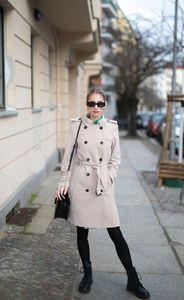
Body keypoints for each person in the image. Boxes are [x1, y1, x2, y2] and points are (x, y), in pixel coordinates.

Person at [55, 88, 150, 299]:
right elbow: (68, 157)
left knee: (116, 233)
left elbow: (116, 159)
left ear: (105, 105)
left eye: (99, 104)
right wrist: (63, 182)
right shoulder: (76, 126)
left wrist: (108, 177)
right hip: (81, 182)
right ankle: (88, 275)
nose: (95, 108)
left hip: (102, 184)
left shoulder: (111, 127)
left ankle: (132, 278)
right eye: (91, 103)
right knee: (82, 232)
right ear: (86, 104)